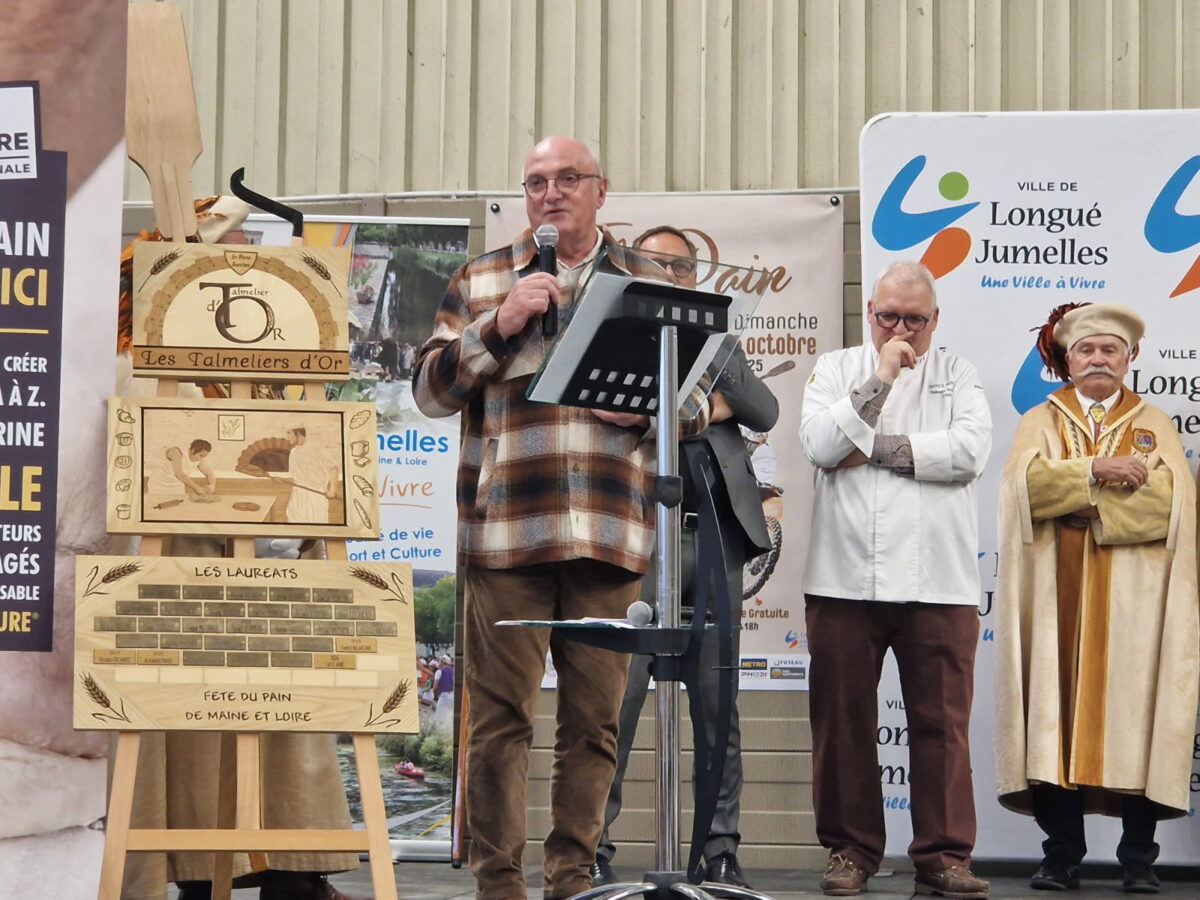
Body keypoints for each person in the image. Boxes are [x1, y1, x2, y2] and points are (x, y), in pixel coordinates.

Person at [413, 136, 704, 900]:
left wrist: (649, 409)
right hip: (506, 530)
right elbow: (429, 394)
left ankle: (572, 879)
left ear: (601, 190)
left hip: (609, 531)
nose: (551, 193)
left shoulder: (648, 279)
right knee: (498, 721)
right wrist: (496, 326)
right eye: (536, 182)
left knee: (594, 723)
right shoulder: (481, 279)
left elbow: (702, 400)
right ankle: (498, 883)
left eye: (567, 178)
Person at [117, 197, 366, 900]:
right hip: (178, 578)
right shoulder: (135, 362)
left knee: (278, 727)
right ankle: (208, 875)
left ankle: (289, 869)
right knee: (196, 734)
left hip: (260, 578)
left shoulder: (249, 361)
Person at [799, 260, 992, 899]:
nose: (900, 329)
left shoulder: (958, 373)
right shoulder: (836, 369)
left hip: (939, 579)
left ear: (935, 320)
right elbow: (823, 447)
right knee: (843, 720)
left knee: (941, 722)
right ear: (870, 315)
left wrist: (878, 450)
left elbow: (968, 453)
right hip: (842, 574)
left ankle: (943, 855)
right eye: (888, 317)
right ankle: (851, 852)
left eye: (914, 318)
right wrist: (878, 383)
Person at [593, 226, 778, 889]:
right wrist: (705, 411)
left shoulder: (718, 339)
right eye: (654, 263)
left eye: (680, 266)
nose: (667, 273)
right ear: (632, 269)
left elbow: (764, 408)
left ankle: (720, 852)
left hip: (715, 540)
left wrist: (709, 367)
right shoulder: (613, 342)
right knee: (618, 702)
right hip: (640, 539)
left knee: (717, 706)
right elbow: (632, 417)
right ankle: (594, 847)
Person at [994, 303, 1198, 894]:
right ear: (1068, 360)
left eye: (1110, 350)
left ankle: (1139, 859)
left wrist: (1089, 505)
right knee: (1051, 717)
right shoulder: (1040, 420)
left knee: (1138, 716)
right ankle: (1060, 856)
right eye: (1087, 350)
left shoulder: (1153, 423)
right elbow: (1023, 489)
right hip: (1055, 601)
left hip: (1136, 605)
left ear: (1129, 358)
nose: (1098, 359)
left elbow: (1172, 505)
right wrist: (1098, 470)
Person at [284, 426, 338, 524]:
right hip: (297, 496)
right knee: (294, 524)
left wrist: (332, 490)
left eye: (289, 433)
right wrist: (281, 480)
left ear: (298, 434)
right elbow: (296, 477)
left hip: (316, 496)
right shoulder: (293, 452)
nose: (287, 437)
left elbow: (333, 468)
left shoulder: (317, 449)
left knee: (316, 526)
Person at [146, 439, 216, 497]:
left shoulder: (199, 458)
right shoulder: (175, 452)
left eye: (204, 456)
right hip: (159, 486)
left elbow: (209, 474)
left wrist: (212, 485)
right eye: (201, 455)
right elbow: (179, 474)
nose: (202, 458)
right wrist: (198, 489)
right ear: (193, 450)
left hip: (177, 487)